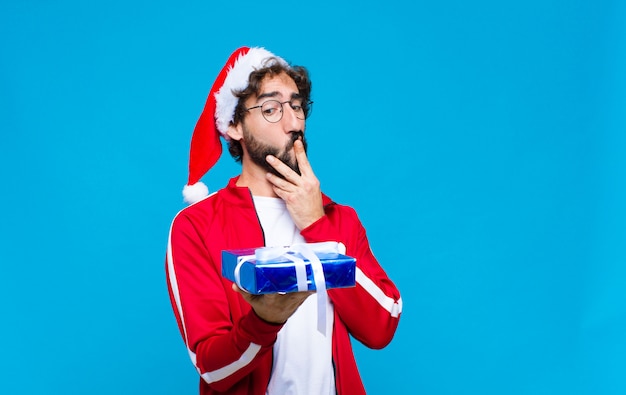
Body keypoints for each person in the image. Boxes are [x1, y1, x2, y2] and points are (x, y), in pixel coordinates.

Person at [165, 47, 402, 395]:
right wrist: (265, 321)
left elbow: (381, 326)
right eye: (272, 109)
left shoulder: (338, 218)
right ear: (233, 125)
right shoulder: (196, 225)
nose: (294, 123)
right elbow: (214, 370)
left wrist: (317, 226)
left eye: (296, 106)